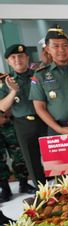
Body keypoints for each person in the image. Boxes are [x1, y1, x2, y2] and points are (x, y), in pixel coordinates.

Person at [0, 44, 47, 189]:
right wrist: (13, 92)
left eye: (21, 56)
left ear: (27, 58)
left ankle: (64, 189)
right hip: (23, 124)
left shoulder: (40, 74)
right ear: (8, 61)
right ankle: (43, 192)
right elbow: (2, 106)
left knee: (56, 156)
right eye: (13, 57)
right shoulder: (5, 81)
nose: (17, 59)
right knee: (32, 161)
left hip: (45, 120)